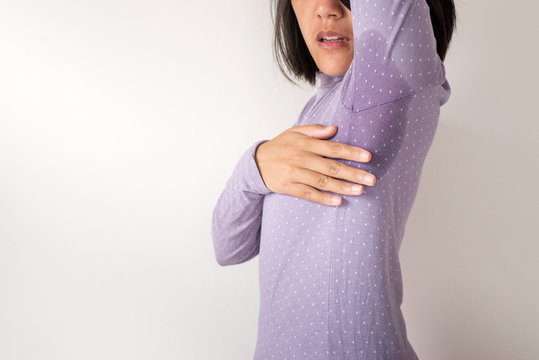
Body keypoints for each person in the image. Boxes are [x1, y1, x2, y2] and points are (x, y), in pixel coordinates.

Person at [212, 0, 457, 359]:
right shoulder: (318, 110)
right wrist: (257, 164)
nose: (326, 8)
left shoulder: (387, 88)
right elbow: (229, 247)